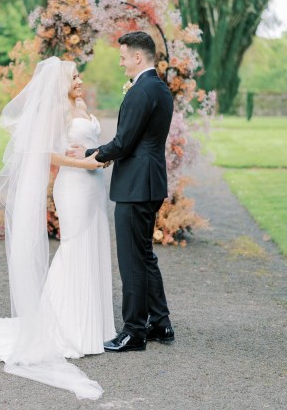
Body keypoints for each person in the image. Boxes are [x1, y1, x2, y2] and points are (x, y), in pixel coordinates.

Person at [0, 57, 116, 399]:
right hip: (73, 185)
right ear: (62, 81)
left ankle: (94, 326)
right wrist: (85, 162)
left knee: (93, 245)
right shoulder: (57, 110)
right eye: (74, 76)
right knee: (73, 247)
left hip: (94, 187)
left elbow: (92, 144)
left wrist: (101, 155)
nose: (79, 80)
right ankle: (63, 327)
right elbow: (47, 155)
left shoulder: (81, 105)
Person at [68, 31, 174, 352]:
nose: (121, 62)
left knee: (131, 260)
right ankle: (160, 322)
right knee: (144, 256)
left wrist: (90, 155)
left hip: (135, 185)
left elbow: (124, 142)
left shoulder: (142, 91)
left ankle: (133, 331)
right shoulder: (160, 88)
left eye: (124, 56)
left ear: (138, 58)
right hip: (150, 181)